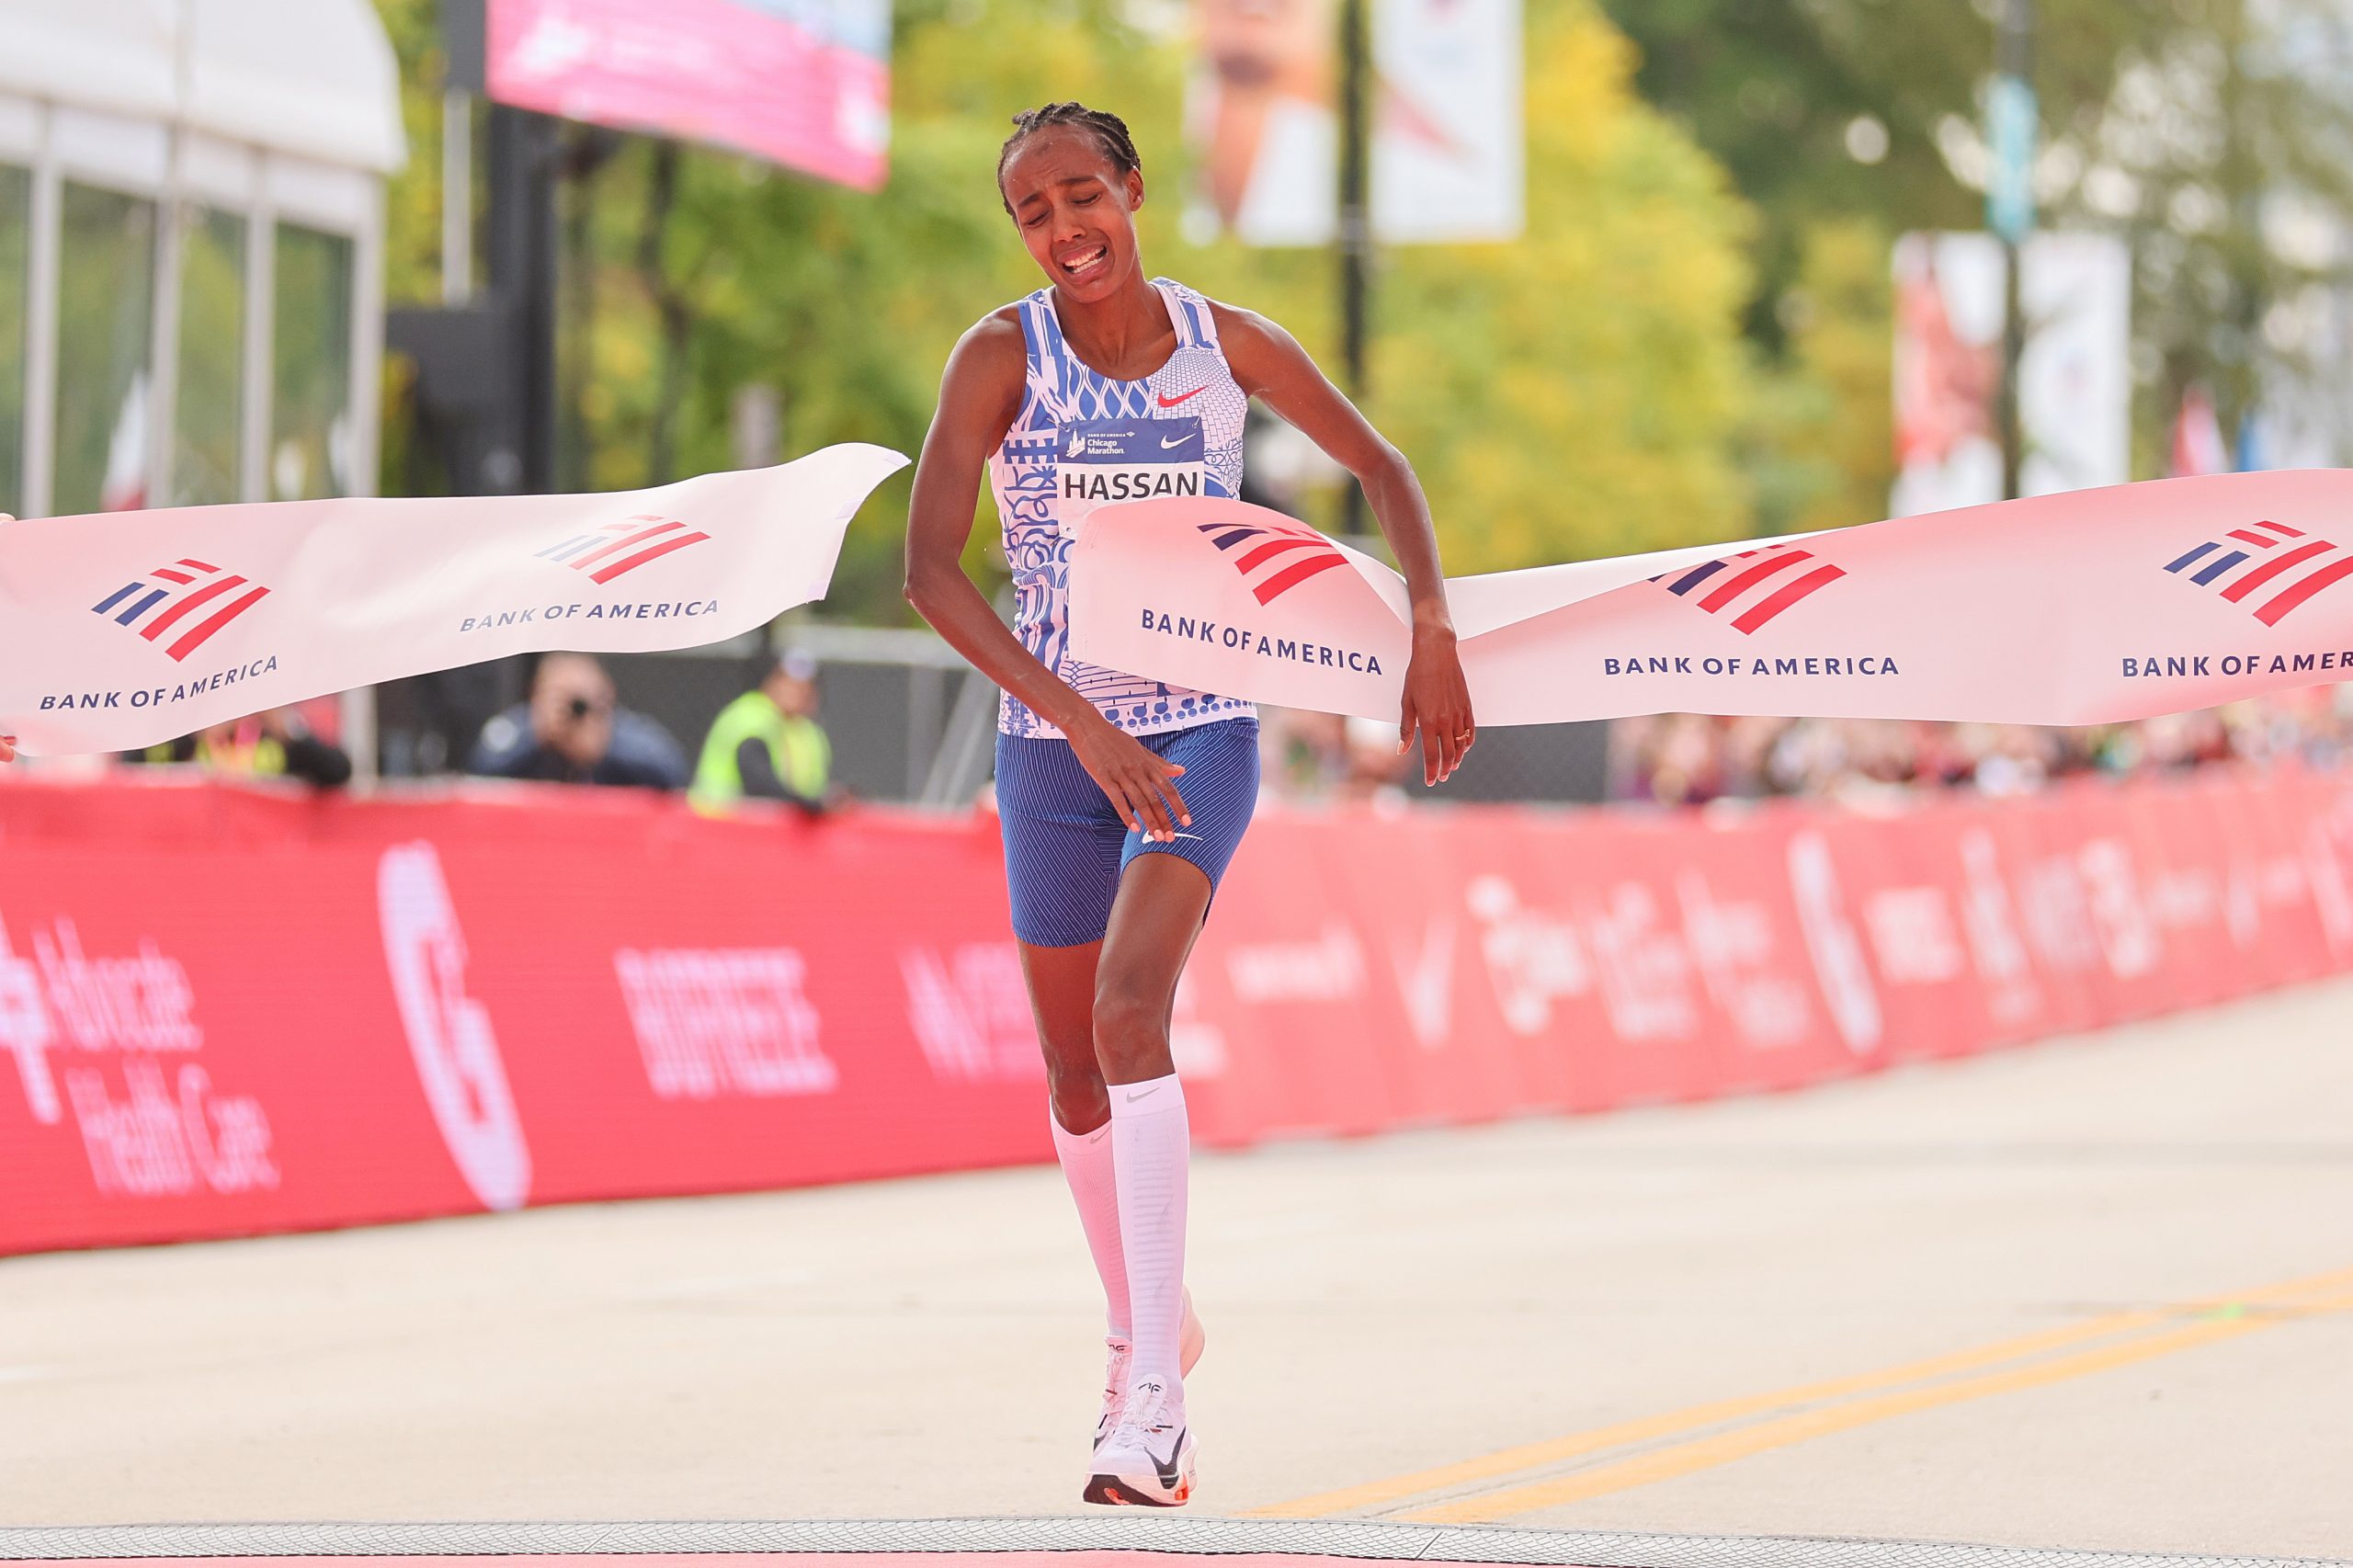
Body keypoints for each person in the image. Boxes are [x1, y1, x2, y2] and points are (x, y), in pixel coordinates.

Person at [902, 100, 1474, 1508]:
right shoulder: (1000, 356)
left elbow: (1383, 468)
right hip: (1054, 746)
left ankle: (1152, 1403)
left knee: (1128, 1007)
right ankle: (1145, 1321)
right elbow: (930, 572)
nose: (1062, 233)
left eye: (1081, 197)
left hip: (1201, 728)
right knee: (1071, 1073)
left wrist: (1433, 622)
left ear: (1134, 189)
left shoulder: (1227, 347)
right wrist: (1083, 727)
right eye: (1033, 214)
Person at [469, 652, 688, 790]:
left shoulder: (623, 731)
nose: (573, 709)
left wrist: (603, 748)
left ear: (607, 693)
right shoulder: (521, 727)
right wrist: (538, 737)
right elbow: (479, 769)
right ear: (536, 693)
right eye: (561, 695)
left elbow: (673, 774)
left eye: (580, 699)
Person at [691, 648, 835, 815]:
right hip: (719, 822)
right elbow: (757, 778)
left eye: (804, 685)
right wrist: (808, 805)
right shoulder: (749, 715)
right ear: (770, 681)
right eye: (786, 681)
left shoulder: (808, 732)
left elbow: (813, 787)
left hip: (778, 831)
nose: (795, 691)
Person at [132, 708, 352, 787]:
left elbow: (339, 771)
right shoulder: (189, 736)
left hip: (263, 852)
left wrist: (288, 733)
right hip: (199, 850)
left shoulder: (275, 735)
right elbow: (133, 768)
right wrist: (194, 734)